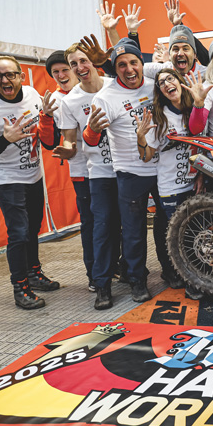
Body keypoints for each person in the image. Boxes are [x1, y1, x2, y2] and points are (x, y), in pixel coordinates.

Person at [0, 56, 61, 309]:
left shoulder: (32, 95)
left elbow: (48, 137)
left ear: (21, 76)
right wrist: (5, 140)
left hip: (33, 175)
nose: (5, 80)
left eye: (10, 74)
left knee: (33, 228)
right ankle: (20, 288)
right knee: (19, 232)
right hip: (6, 179)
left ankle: (33, 273)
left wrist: (48, 117)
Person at [84, 38, 165, 303]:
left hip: (163, 169)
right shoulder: (105, 97)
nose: (129, 69)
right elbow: (90, 140)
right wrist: (92, 130)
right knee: (133, 231)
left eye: (133, 62)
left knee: (167, 225)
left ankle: (172, 272)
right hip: (131, 173)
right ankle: (135, 281)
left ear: (142, 63)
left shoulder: (155, 85)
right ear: (114, 69)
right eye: (121, 65)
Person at [56, 43, 122, 309]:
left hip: (127, 169)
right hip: (95, 172)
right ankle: (99, 280)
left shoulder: (115, 85)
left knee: (127, 224)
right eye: (73, 64)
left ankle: (127, 270)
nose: (79, 67)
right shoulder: (69, 101)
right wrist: (67, 149)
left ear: (93, 61)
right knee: (99, 226)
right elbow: (69, 140)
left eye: (83, 61)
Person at [138, 68, 204, 299]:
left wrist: (200, 176)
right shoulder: (160, 117)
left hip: (194, 185)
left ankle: (196, 276)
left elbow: (204, 146)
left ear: (179, 82)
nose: (166, 84)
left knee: (196, 234)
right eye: (161, 83)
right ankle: (188, 280)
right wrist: (140, 137)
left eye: (170, 79)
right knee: (179, 237)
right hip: (170, 188)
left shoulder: (195, 109)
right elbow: (146, 156)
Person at [43, 51, 96, 291]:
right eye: (56, 72)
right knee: (90, 223)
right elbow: (50, 141)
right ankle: (94, 273)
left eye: (65, 69)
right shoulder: (54, 101)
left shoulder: (96, 88)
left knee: (114, 220)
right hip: (81, 170)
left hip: (109, 167)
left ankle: (117, 265)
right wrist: (46, 117)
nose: (61, 75)